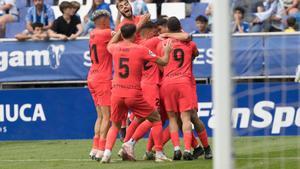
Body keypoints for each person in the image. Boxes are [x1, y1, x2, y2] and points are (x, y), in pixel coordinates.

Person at [101, 24, 172, 163]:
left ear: (122, 34)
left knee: (114, 125)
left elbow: (110, 43)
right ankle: (158, 153)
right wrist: (167, 51)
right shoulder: (141, 49)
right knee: (156, 118)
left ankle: (106, 154)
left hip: (116, 92)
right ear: (134, 34)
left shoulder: (115, 48)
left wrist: (119, 33)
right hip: (133, 93)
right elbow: (163, 62)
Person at [156, 17, 199, 160]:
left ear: (167, 28)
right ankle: (188, 150)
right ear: (180, 27)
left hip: (167, 82)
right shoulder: (189, 43)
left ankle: (176, 149)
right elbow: (195, 53)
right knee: (186, 118)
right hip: (184, 82)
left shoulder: (162, 43)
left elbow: (160, 64)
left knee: (172, 118)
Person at [87, 10, 113, 161]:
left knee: (100, 116)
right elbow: (125, 33)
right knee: (107, 117)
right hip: (102, 78)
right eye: (108, 18)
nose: (109, 20)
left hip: (92, 76)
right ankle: (101, 149)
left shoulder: (93, 33)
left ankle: (95, 147)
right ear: (102, 19)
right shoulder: (106, 33)